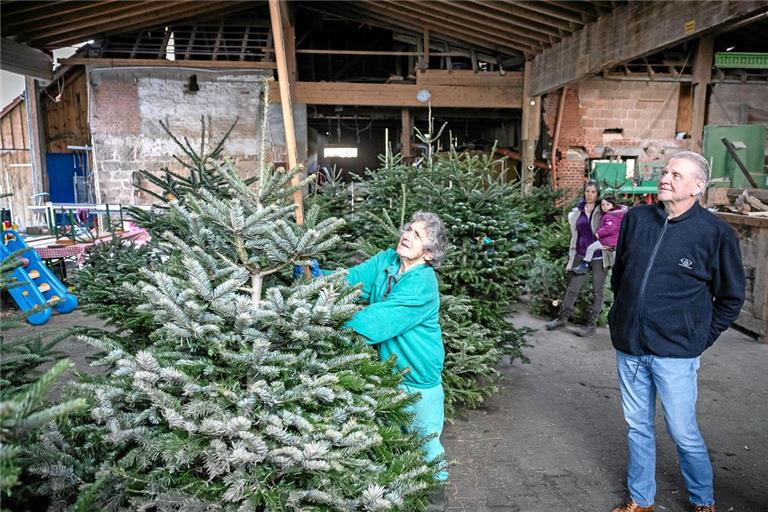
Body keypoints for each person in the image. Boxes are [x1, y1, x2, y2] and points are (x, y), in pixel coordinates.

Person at [608, 151, 745, 512]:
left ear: (697, 187)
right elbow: (620, 275)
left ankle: (703, 500)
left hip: (675, 354)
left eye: (677, 175)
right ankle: (641, 499)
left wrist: (699, 338)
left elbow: (731, 298)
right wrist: (618, 318)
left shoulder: (715, 234)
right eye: (665, 171)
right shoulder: (637, 219)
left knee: (682, 432)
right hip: (630, 346)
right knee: (638, 428)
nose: (665, 178)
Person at [344, 211, 449, 506]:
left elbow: (376, 323)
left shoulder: (422, 284)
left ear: (429, 254)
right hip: (390, 374)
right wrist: (315, 278)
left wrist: (325, 320)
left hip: (419, 379)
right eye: (408, 229)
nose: (407, 235)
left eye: (417, 235)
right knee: (395, 443)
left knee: (425, 445)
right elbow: (351, 280)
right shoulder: (386, 261)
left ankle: (435, 502)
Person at [545, 179, 609, 337]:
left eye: (593, 192)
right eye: (587, 191)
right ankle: (561, 319)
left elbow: (615, 224)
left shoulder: (603, 211)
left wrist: (611, 244)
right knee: (572, 289)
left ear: (597, 193)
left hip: (599, 257)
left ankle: (591, 326)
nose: (590, 194)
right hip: (581, 255)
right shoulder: (577, 212)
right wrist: (572, 256)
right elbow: (575, 236)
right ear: (584, 192)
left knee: (597, 292)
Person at [572, 196, 628, 275]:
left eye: (607, 204)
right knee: (613, 257)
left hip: (608, 241)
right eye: (603, 205)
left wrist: (598, 233)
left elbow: (609, 228)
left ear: (613, 205)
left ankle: (585, 265)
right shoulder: (614, 214)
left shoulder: (611, 216)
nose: (605, 207)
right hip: (611, 240)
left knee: (590, 248)